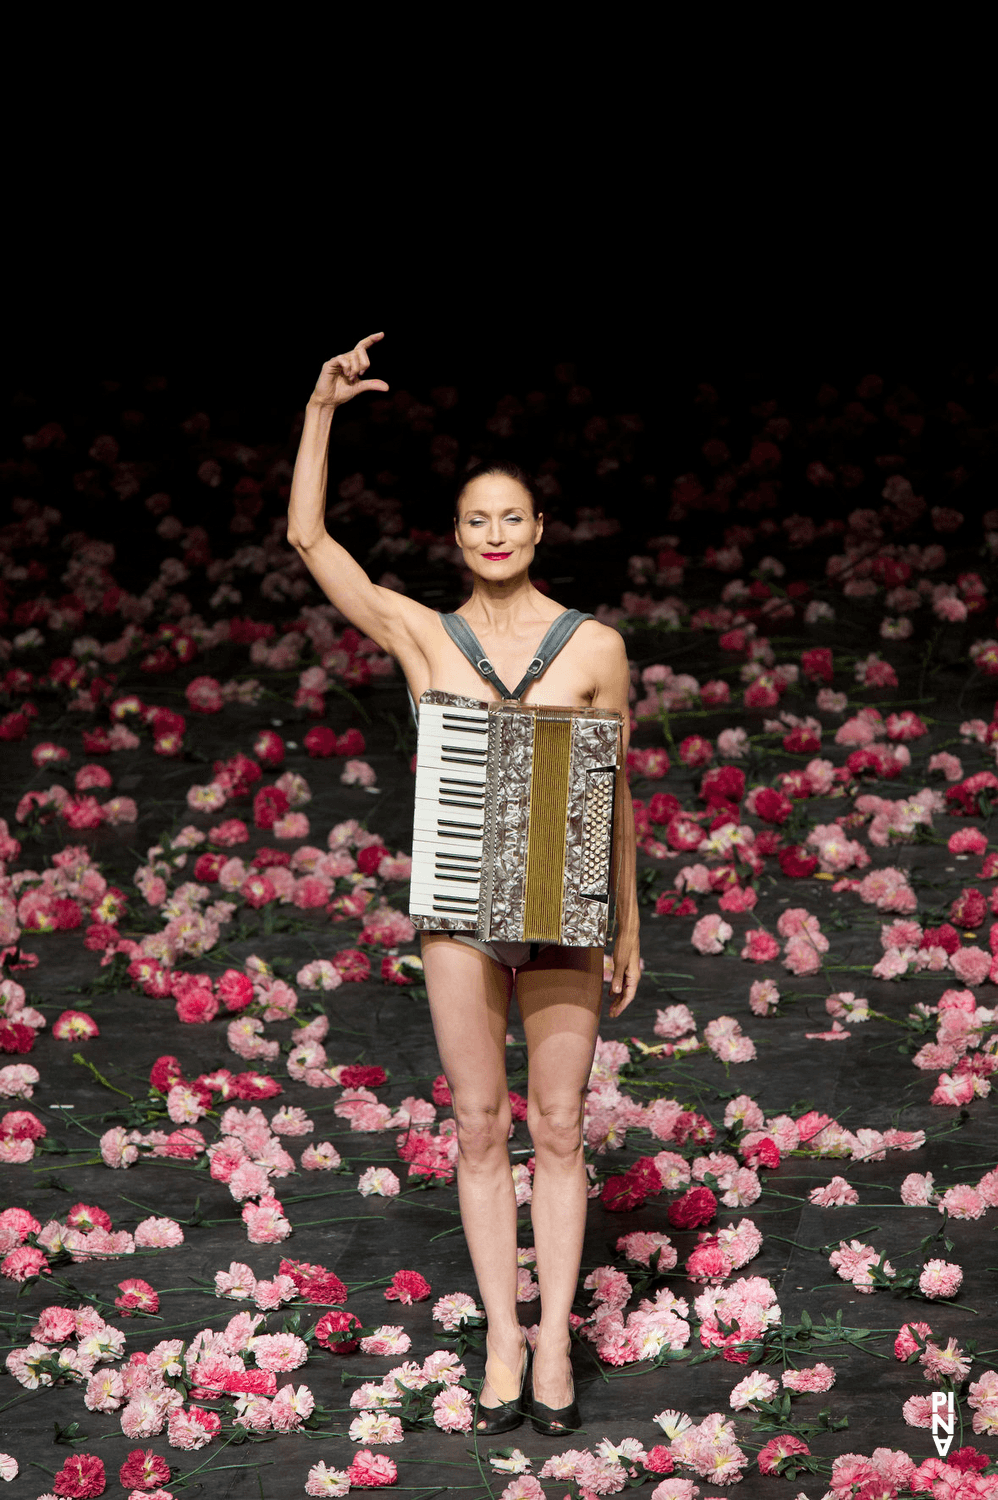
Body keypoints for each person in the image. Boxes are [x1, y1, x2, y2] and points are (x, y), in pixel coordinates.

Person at [287, 332, 640, 1435]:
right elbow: (309, 539)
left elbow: (615, 789)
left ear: (537, 531)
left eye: (511, 518)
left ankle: (554, 1345)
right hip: (458, 909)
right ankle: (500, 1338)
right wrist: (321, 410)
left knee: (560, 1126)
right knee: (481, 1125)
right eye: (476, 520)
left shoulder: (595, 648)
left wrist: (628, 917)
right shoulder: (423, 637)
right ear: (456, 536)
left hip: (566, 905)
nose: (494, 534)